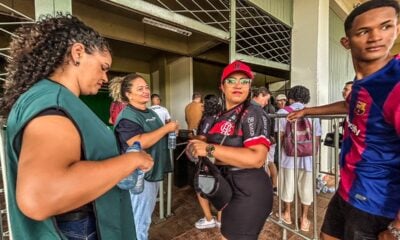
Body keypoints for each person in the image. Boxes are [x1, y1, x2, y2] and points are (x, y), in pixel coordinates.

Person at [0, 14, 154, 240]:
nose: (105, 77)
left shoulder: (47, 98)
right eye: (103, 67)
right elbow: (41, 197)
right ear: (78, 53)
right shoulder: (54, 102)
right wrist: (131, 160)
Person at [287, 1, 400, 239]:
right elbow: (351, 107)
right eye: (364, 31)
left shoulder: (395, 84)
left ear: (397, 30)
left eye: (386, 26)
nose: (376, 37)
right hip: (348, 187)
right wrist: (308, 111)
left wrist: (397, 227)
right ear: (346, 42)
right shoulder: (363, 82)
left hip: (376, 199)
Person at [188, 60, 273, 239]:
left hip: (249, 189)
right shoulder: (219, 116)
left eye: (244, 81)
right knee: (227, 233)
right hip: (227, 185)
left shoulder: (253, 113)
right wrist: (195, 147)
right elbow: (211, 146)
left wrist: (208, 149)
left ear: (250, 87)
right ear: (222, 86)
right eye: (231, 80)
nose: (238, 85)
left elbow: (257, 158)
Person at [114, 74, 179, 240]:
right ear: (128, 94)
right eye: (140, 88)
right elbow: (137, 142)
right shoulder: (127, 117)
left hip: (154, 170)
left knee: (145, 216)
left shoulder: (151, 112)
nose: (146, 91)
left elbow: (156, 135)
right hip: (140, 176)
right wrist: (165, 129)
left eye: (147, 87)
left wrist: (171, 131)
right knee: (139, 221)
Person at [276, 85, 321, 232]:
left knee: (287, 184)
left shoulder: (282, 112)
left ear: (290, 97)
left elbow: (280, 136)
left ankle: (287, 214)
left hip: (288, 157)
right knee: (307, 187)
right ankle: (304, 219)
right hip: (308, 158)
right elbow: (317, 138)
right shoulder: (313, 114)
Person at [193, 94, 223, 229]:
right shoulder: (222, 116)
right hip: (220, 154)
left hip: (208, 155)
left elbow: (202, 138)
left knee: (200, 187)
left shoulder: (208, 118)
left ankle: (209, 218)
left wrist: (191, 137)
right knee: (220, 186)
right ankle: (221, 220)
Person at [251, 87, 278, 194]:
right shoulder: (255, 110)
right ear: (260, 95)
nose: (267, 103)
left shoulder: (252, 108)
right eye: (266, 99)